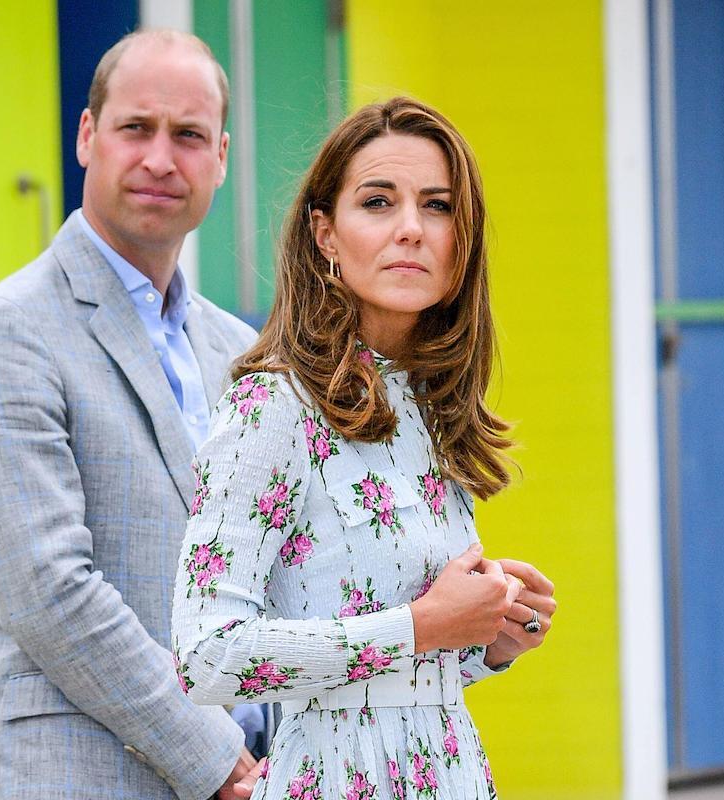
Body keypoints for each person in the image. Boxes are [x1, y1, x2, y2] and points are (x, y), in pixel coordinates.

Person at [171, 97, 557, 799]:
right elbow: (206, 656)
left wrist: (485, 639)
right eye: (378, 202)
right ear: (325, 234)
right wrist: (420, 625)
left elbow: (404, 670)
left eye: (437, 207)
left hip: (451, 774)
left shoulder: (434, 407)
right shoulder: (272, 408)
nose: (411, 229)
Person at [0, 30, 265, 800]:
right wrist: (216, 759)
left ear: (221, 156)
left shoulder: (242, 351)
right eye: (135, 128)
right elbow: (51, 592)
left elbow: (278, 574)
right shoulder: (7, 330)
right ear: (88, 137)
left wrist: (462, 630)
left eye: (187, 136)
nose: (160, 158)